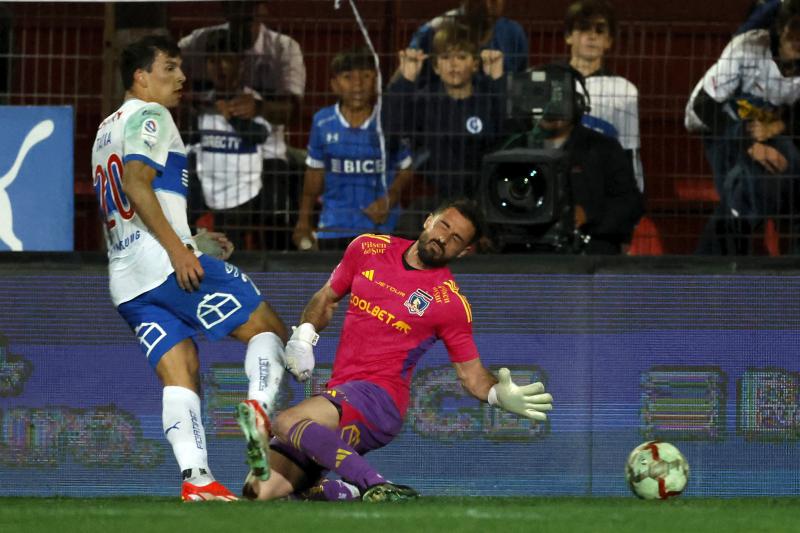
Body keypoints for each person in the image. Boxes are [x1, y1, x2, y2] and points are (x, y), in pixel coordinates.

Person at [234, 198, 554, 502]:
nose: (444, 238)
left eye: (455, 238)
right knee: (257, 492)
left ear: (464, 251)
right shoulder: (368, 248)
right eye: (443, 226)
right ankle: (339, 491)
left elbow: (472, 378)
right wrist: (303, 338)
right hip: (342, 393)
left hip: (380, 400)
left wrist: (499, 394)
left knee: (287, 421)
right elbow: (327, 298)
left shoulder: (450, 303)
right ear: (429, 220)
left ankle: (377, 485)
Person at [92, 35, 289, 501]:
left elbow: (125, 207)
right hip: (166, 265)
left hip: (127, 280)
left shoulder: (106, 129)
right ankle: (258, 411)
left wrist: (192, 238)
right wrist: (182, 252)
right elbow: (136, 185)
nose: (181, 78)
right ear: (141, 77)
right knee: (268, 328)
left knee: (180, 371)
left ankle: (197, 478)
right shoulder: (151, 115)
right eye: (170, 69)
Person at [179, 1, 307, 249]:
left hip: (266, 153)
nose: (220, 67)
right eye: (213, 61)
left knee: (274, 208)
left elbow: (290, 111)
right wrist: (200, 104)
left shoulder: (284, 47)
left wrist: (254, 110)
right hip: (211, 159)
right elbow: (165, 64)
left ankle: (277, 262)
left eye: (248, 16)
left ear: (262, 10)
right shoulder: (200, 41)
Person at [686, 0, 800, 254]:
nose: (799, 38)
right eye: (795, 28)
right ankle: (711, 270)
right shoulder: (746, 46)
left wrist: (779, 125)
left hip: (768, 122)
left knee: (788, 166)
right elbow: (704, 106)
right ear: (780, 28)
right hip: (719, 122)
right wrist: (749, 144)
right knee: (743, 193)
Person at [502, 64, 643, 254]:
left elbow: (630, 204)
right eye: (543, 99)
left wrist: (589, 216)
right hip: (526, 253)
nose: (551, 109)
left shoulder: (604, 149)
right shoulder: (511, 149)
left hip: (588, 254)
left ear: (577, 104)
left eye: (559, 100)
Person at [386, 22, 507, 236]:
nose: (453, 64)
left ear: (475, 64)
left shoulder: (488, 99)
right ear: (435, 66)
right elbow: (391, 134)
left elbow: (507, 137)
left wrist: (498, 81)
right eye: (445, 58)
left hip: (484, 200)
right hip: (435, 200)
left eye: (461, 57)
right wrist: (405, 81)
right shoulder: (423, 101)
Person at [292, 48, 413, 251]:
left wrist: (389, 199)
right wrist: (303, 221)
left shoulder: (388, 119)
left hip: (382, 228)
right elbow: (314, 173)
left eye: (365, 76)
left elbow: (407, 167)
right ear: (334, 84)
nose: (358, 84)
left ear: (375, 81)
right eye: (348, 77)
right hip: (334, 226)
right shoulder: (322, 121)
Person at [185, 28, 272, 250]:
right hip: (207, 194)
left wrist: (231, 117)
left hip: (243, 196)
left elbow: (260, 135)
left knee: (236, 254)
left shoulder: (253, 100)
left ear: (240, 63)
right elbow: (191, 149)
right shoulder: (203, 104)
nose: (219, 67)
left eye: (226, 59)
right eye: (212, 61)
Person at [564, 0, 645, 193]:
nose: (592, 36)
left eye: (600, 30)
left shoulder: (625, 90)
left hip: (602, 188)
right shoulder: (548, 82)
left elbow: (629, 151)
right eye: (584, 28)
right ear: (568, 36)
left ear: (609, 41)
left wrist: (633, 198)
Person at [406, 0, 528, 87]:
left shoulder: (513, 32)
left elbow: (522, 82)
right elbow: (407, 72)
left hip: (497, 113)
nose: (490, 4)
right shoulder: (438, 27)